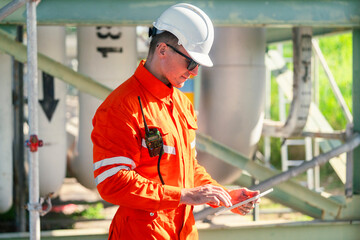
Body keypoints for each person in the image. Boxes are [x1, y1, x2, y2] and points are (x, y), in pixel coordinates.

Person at [92, 3, 259, 239]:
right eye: (190, 63)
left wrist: (223, 195)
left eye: (198, 65)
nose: (194, 72)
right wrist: (184, 196)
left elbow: (189, 169)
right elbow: (113, 182)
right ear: (162, 50)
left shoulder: (182, 104)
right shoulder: (121, 107)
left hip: (183, 232)